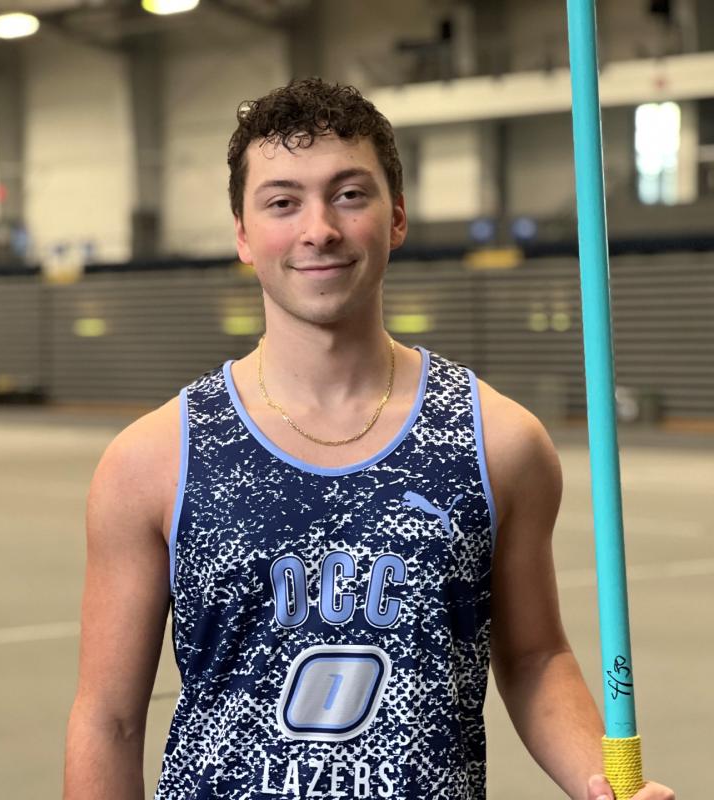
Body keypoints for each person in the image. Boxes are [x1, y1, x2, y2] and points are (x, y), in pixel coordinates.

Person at [63, 78, 674, 800]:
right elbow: (107, 719)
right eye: (283, 202)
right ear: (242, 234)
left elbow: (537, 656)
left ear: (397, 217)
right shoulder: (155, 459)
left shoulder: (499, 443)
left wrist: (604, 784)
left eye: (349, 195)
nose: (318, 228)